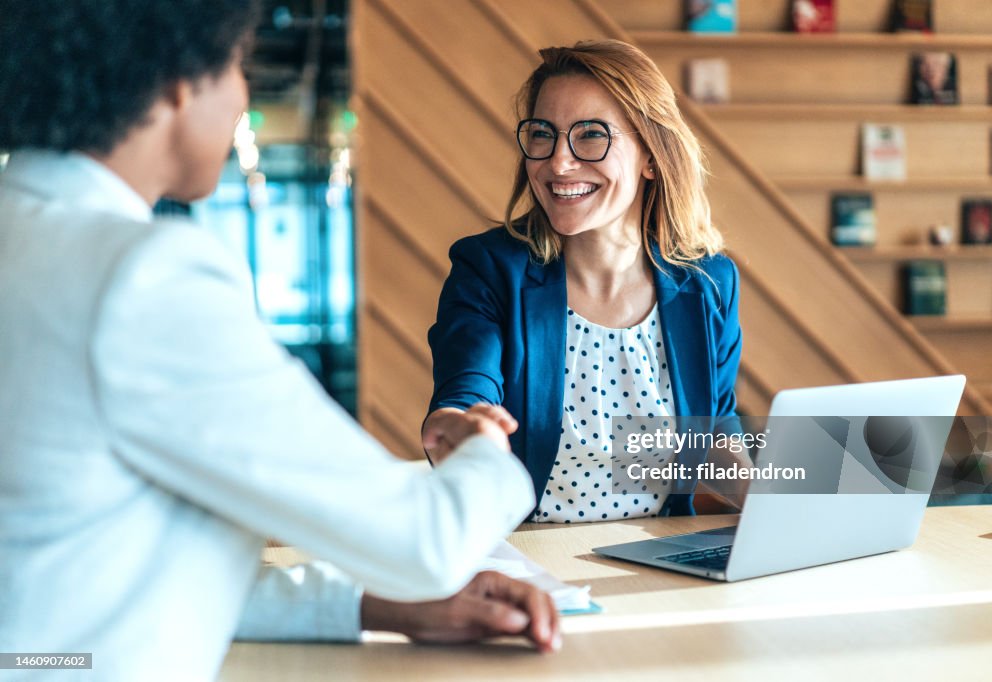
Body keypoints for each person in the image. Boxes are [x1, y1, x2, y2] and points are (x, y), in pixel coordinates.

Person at [0, 2, 559, 680]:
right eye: (239, 66)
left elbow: (78, 588)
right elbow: (427, 542)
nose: (242, 97)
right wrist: (489, 453)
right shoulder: (140, 278)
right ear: (180, 80)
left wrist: (373, 607)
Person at [423, 40, 743, 523]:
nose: (558, 163)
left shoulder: (709, 282)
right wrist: (459, 428)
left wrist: (782, 503)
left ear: (651, 155)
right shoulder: (489, 268)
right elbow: (466, 393)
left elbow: (715, 433)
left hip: (656, 559)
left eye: (591, 135)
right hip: (527, 561)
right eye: (543, 134)